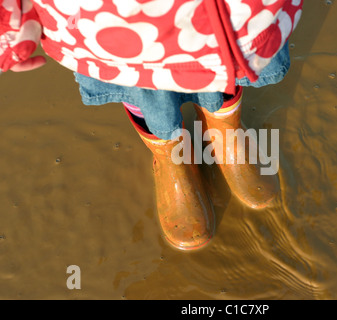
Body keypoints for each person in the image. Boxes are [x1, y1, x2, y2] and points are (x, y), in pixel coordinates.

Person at [0, 0, 304, 250]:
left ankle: (224, 132)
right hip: (107, 16)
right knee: (139, 80)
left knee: (222, 54)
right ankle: (172, 158)